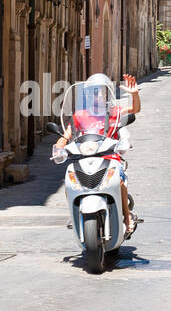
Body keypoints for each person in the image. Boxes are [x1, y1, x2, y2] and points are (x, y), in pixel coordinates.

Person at [52, 74, 141, 236]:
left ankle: (127, 216)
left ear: (106, 93)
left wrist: (134, 94)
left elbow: (135, 109)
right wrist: (60, 146)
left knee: (119, 180)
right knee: (69, 182)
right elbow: (67, 135)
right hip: (84, 158)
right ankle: (74, 211)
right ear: (87, 94)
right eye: (93, 92)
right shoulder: (80, 115)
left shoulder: (114, 112)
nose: (97, 95)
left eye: (101, 91)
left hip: (109, 157)